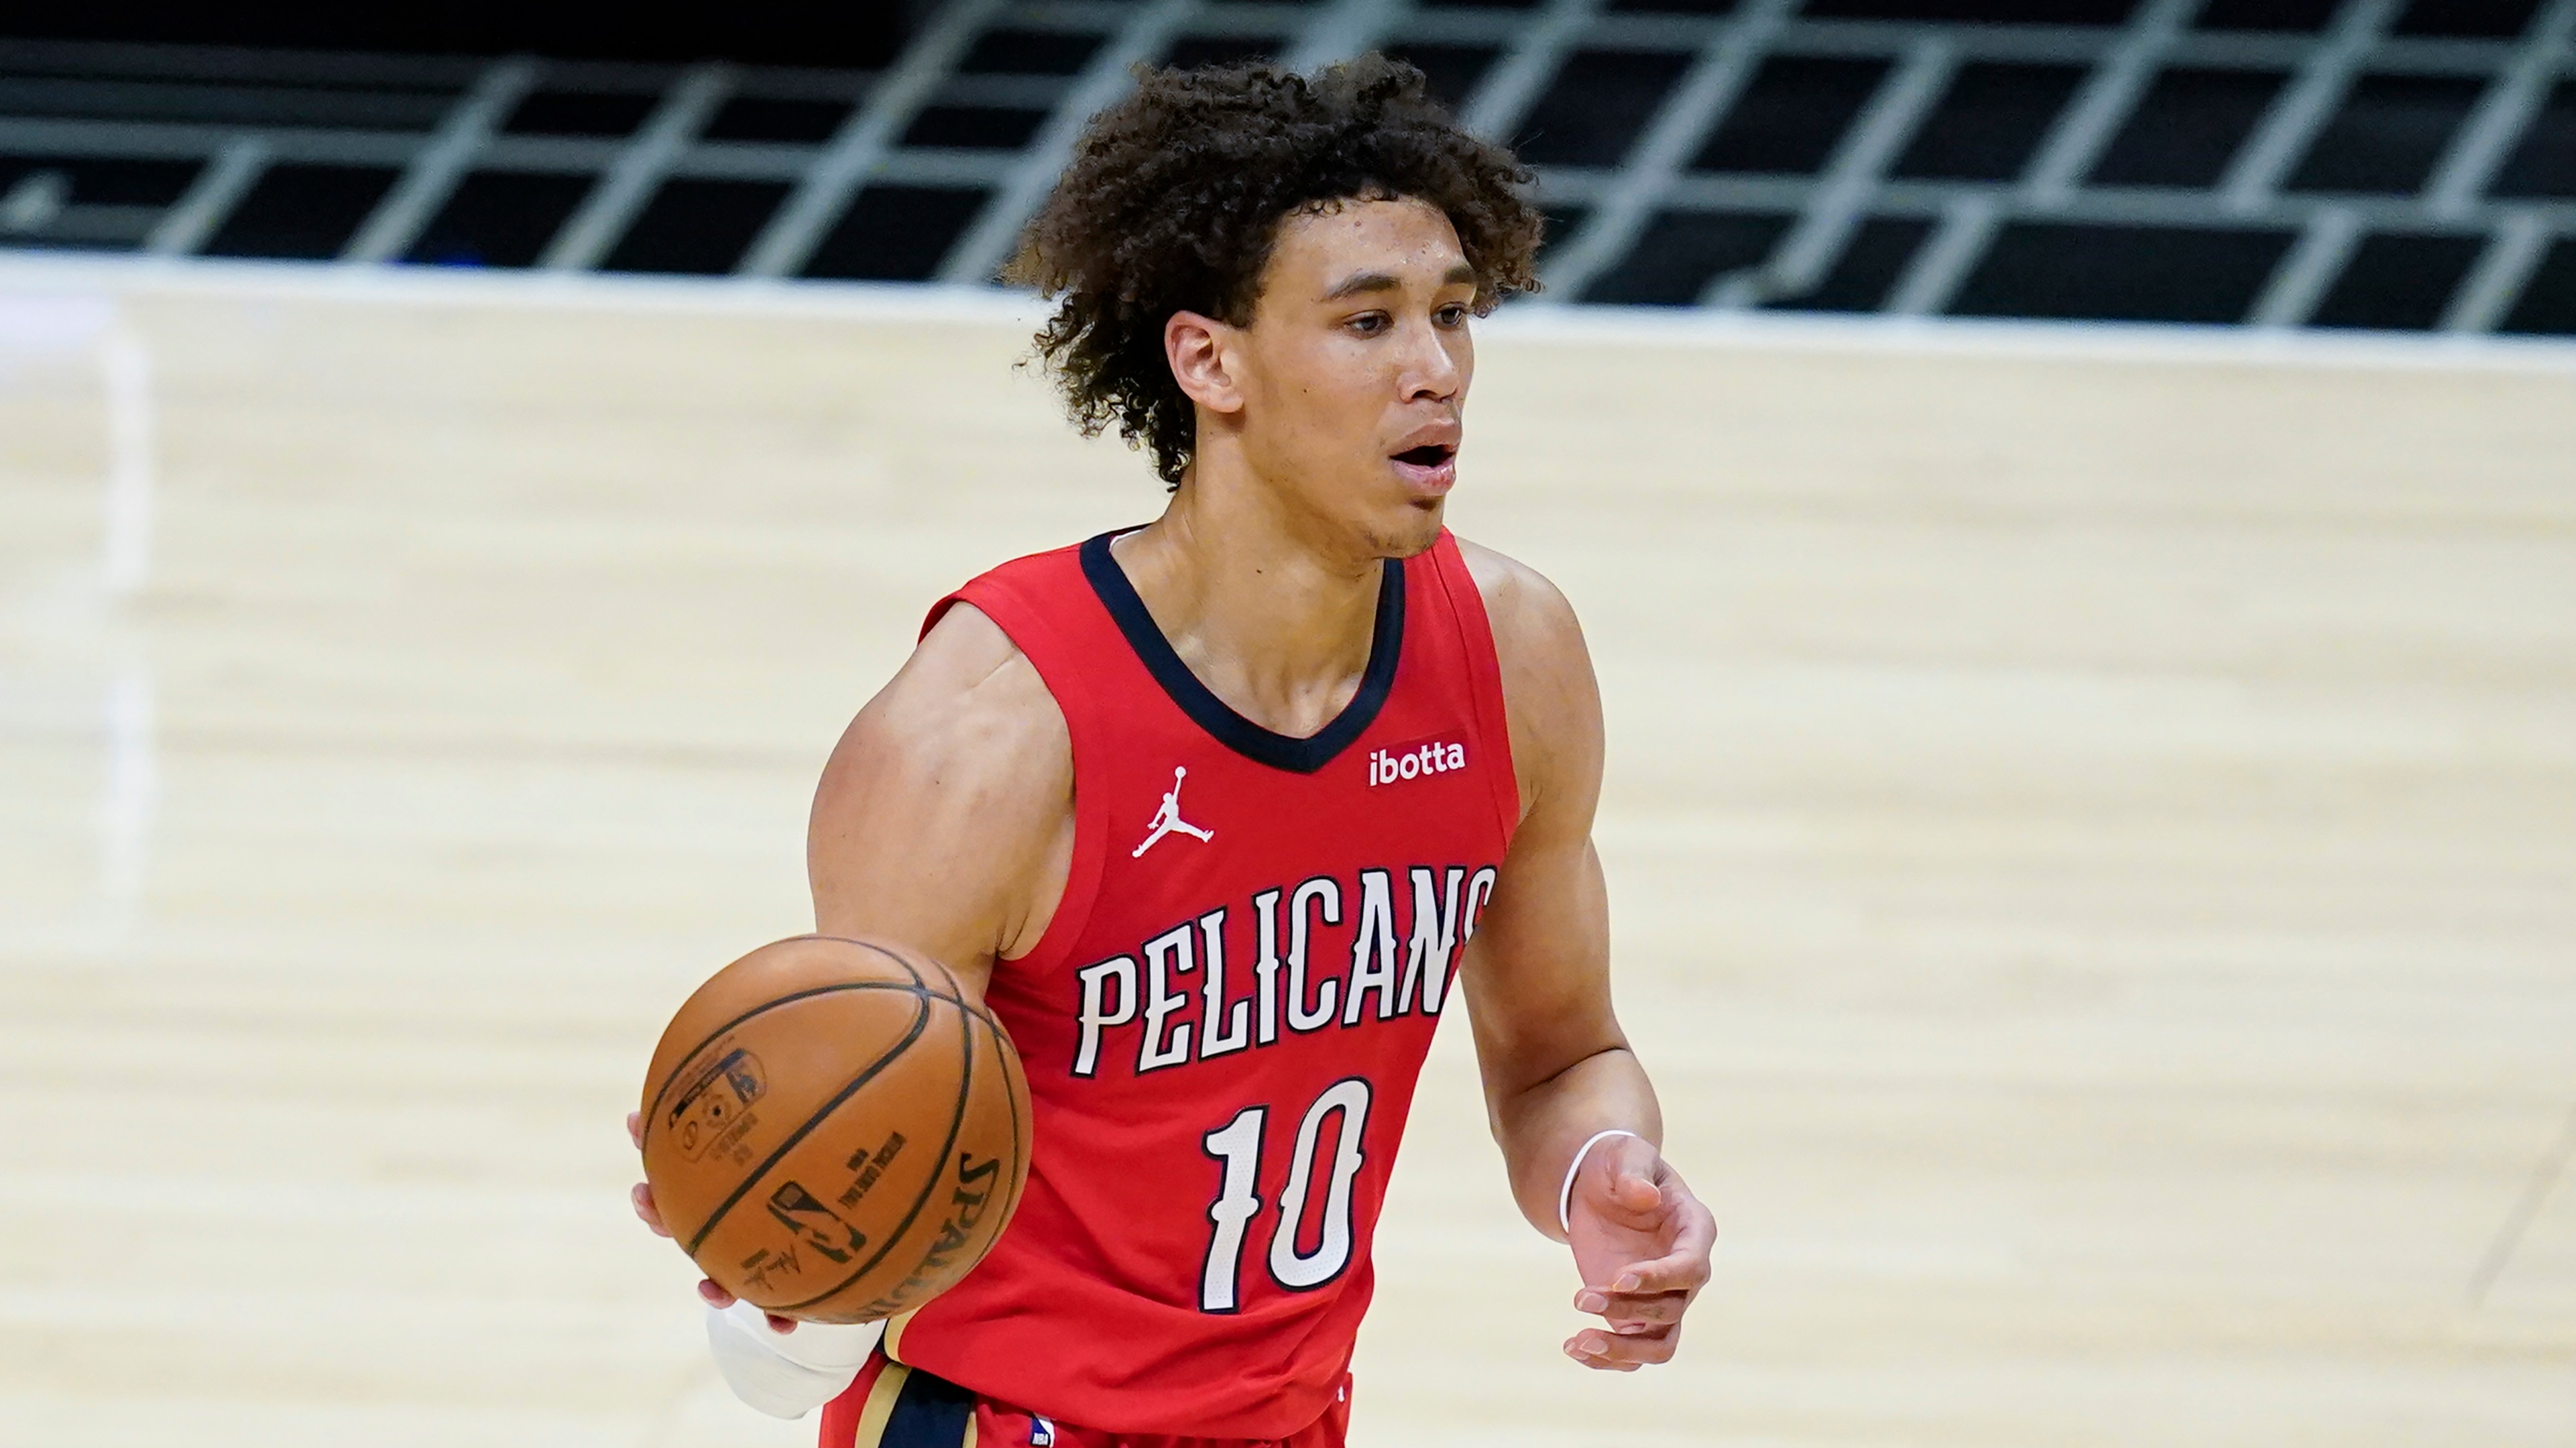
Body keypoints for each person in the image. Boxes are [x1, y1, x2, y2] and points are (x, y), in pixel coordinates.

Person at [629, 54, 1716, 1448]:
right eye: (1367, 321)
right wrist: (771, 1267)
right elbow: (863, 1175)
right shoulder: (986, 737)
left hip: (1291, 1419)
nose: (1435, 368)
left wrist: (1605, 1177)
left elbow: (1564, 1053)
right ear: (1211, 359)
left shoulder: (1512, 656)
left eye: (1452, 314)